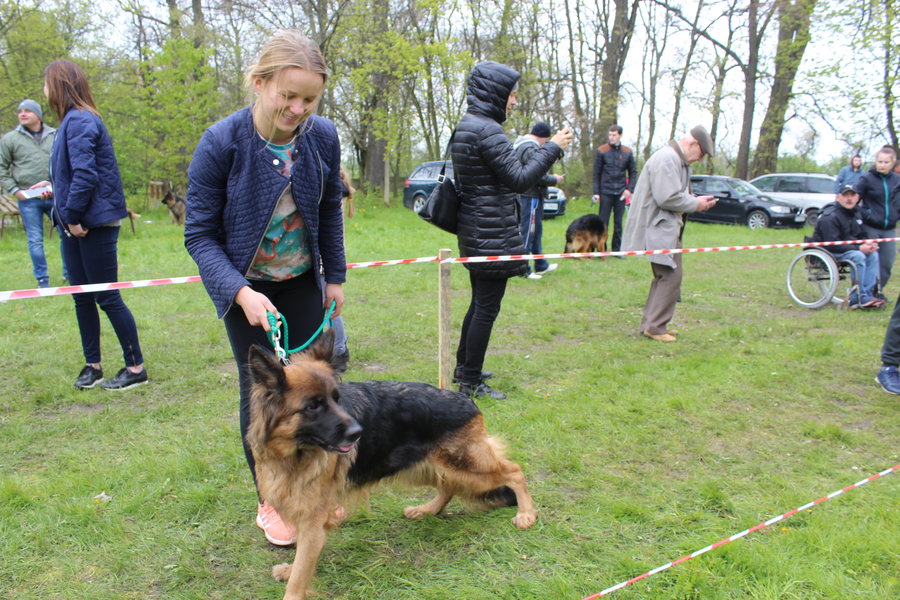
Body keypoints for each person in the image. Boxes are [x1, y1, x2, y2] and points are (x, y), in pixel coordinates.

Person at [184, 30, 345, 547]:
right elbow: (199, 235)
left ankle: (317, 490)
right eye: (287, 95)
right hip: (245, 290)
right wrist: (240, 292)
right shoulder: (221, 143)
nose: (298, 108)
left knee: (315, 388)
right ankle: (271, 500)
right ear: (259, 82)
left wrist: (335, 275)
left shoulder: (322, 137)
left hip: (301, 282)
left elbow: (327, 210)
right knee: (266, 397)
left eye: (309, 99)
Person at [452, 61, 572, 399]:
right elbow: (519, 179)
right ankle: (471, 380)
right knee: (487, 307)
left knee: (479, 303)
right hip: (490, 230)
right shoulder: (487, 130)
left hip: (478, 227)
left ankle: (465, 367)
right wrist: (554, 147)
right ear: (496, 92)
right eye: (512, 94)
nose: (515, 102)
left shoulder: (468, 125)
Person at [35, 61, 149, 391]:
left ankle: (135, 367)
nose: (43, 89)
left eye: (46, 82)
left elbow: (87, 175)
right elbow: (74, 174)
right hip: (75, 222)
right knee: (80, 296)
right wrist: (55, 189)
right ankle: (93, 365)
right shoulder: (69, 122)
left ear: (59, 85)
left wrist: (72, 215)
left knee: (106, 296)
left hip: (92, 223)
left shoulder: (81, 120)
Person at [621, 125, 717, 342]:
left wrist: (696, 201)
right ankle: (655, 327)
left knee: (665, 276)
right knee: (670, 276)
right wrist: (696, 204)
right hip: (658, 226)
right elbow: (668, 197)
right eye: (700, 153)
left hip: (665, 227)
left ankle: (653, 324)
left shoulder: (676, 160)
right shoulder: (668, 159)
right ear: (692, 144)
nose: (699, 159)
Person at [0, 99, 61, 288]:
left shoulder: (55, 135)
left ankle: (71, 275)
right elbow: (1, 168)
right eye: (20, 111)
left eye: (27, 111)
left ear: (38, 114)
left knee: (67, 234)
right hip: (28, 198)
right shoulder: (10, 139)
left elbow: (64, 164)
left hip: (56, 195)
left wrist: (59, 186)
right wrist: (15, 191)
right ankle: (43, 279)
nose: (23, 114)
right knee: (35, 239)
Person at [812, 184, 884, 309]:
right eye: (845, 195)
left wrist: (868, 243)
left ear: (857, 198)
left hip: (850, 249)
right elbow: (832, 244)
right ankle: (857, 297)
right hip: (830, 251)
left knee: (873, 255)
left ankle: (867, 294)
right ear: (838, 197)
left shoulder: (857, 213)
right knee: (858, 256)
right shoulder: (829, 216)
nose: (849, 199)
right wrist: (859, 248)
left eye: (852, 195)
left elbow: (862, 234)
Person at [513, 121, 563, 279]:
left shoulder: (525, 145)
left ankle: (541, 264)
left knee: (536, 231)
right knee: (528, 232)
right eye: (546, 141)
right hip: (530, 195)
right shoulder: (529, 147)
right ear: (542, 138)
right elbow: (536, 174)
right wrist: (554, 179)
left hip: (533, 194)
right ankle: (523, 269)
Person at [857, 146, 900, 291]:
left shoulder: (897, 180)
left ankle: (878, 292)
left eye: (886, 162)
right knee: (872, 262)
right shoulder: (866, 179)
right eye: (880, 161)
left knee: (886, 264)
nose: (882, 165)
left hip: (890, 229)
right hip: (871, 227)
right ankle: (866, 293)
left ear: (893, 163)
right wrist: (865, 214)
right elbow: (853, 200)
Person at [591, 124, 636, 253]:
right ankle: (601, 249)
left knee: (618, 223)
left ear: (620, 135)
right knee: (603, 222)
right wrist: (596, 192)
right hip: (605, 191)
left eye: (614, 135)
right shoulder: (602, 151)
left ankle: (617, 250)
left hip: (621, 193)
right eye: (610, 135)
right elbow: (596, 173)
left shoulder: (627, 152)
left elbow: (633, 172)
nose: (611, 137)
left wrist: (629, 189)